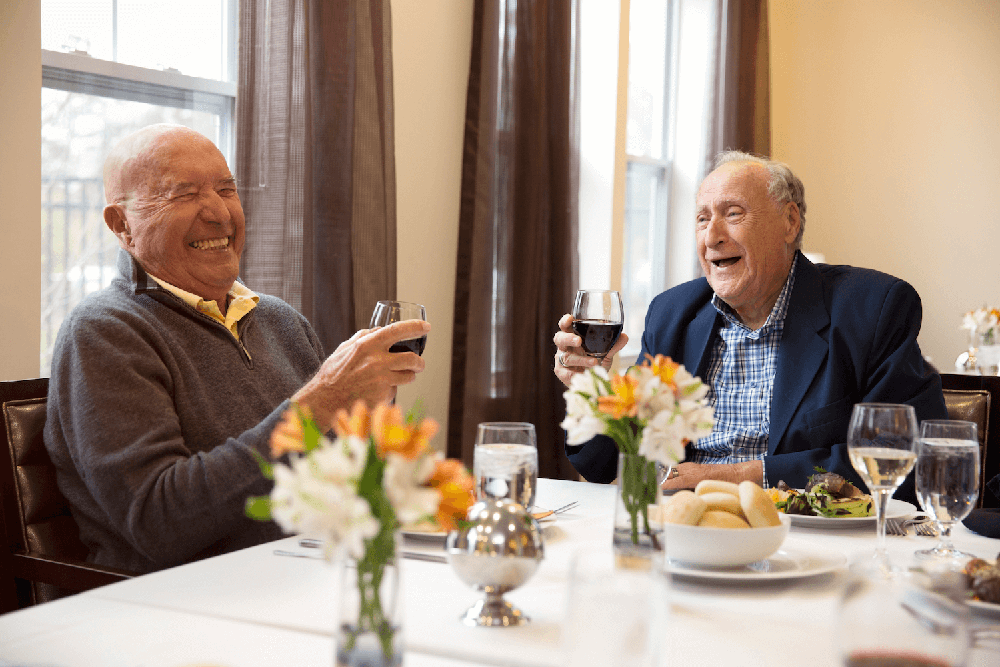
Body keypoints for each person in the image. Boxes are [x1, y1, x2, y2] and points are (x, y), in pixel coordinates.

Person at [44, 124, 429, 574]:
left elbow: (337, 484)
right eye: (185, 194)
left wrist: (367, 431)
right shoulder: (104, 331)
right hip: (184, 600)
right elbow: (159, 522)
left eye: (227, 190)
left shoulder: (281, 320)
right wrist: (318, 403)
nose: (220, 214)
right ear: (122, 224)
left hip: (311, 575)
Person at [553, 151, 946, 499]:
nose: (712, 236)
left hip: (805, 535)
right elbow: (604, 464)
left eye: (733, 214)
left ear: (789, 222)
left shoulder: (871, 309)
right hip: (685, 527)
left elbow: (907, 456)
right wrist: (593, 392)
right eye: (702, 219)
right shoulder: (673, 314)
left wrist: (739, 476)